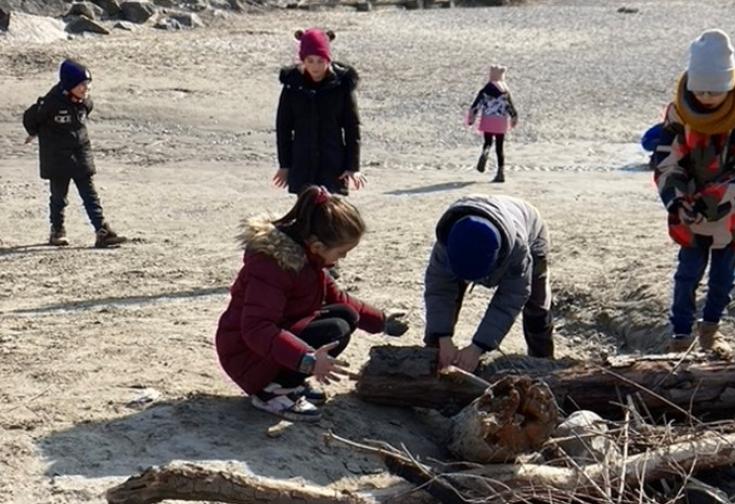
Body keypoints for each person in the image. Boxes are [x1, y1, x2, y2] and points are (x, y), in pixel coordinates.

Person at [215, 186, 408, 421]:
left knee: (346, 315)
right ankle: (271, 392)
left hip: (271, 347)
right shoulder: (272, 266)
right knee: (334, 329)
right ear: (317, 246)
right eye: (341, 252)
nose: (343, 258)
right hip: (246, 356)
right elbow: (257, 329)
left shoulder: (309, 259)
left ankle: (287, 383)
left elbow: (341, 300)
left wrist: (382, 322)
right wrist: (307, 360)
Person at [650, 29, 735, 356]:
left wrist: (715, 197)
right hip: (689, 209)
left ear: (729, 85)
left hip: (732, 211)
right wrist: (677, 199)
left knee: (722, 278)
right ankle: (681, 335)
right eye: (699, 89)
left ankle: (711, 330)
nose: (705, 97)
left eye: (713, 91)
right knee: (687, 275)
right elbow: (666, 157)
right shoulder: (679, 111)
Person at [423, 195, 551, 372]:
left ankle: (544, 366)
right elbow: (439, 290)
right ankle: (434, 359)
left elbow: (510, 298)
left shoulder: (518, 251)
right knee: (450, 297)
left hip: (531, 230)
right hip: (488, 213)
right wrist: (442, 336)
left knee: (537, 307)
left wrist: (478, 346)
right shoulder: (447, 242)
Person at [22, 59, 128, 248]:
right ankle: (57, 231)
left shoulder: (85, 102)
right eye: (81, 86)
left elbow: (86, 111)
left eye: (88, 85)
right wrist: (33, 132)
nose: (85, 89)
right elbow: (32, 118)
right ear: (70, 85)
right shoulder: (51, 103)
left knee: (90, 194)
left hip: (80, 152)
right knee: (59, 197)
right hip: (57, 156)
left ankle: (102, 231)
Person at [274, 29, 366, 196]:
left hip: (332, 163)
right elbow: (284, 128)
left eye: (320, 61)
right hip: (302, 162)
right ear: (303, 61)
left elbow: (352, 127)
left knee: (331, 216)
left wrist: (353, 167)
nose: (315, 67)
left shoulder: (341, 85)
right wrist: (285, 164)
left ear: (328, 61)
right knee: (306, 213)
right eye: (310, 61)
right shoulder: (292, 85)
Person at [467, 65, 519, 183]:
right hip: (501, 122)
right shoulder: (505, 91)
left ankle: (485, 151)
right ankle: (500, 173)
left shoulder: (485, 90)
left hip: (488, 119)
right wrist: (514, 118)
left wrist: (471, 118)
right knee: (500, 148)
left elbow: (476, 105)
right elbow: (510, 107)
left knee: (488, 141)